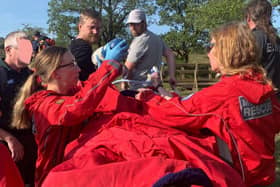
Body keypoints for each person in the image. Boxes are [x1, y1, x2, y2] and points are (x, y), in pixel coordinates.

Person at [39, 22, 279, 187]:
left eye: (212, 45)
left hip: (242, 174)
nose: (208, 52)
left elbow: (180, 113)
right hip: (264, 174)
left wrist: (149, 98)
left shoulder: (223, 94)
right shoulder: (265, 89)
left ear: (227, 51)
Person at [11, 38, 129, 186]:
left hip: (74, 173)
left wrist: (101, 66)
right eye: (72, 64)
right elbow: (79, 105)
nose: (78, 69)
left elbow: (90, 90)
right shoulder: (44, 105)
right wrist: (108, 67)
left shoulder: (70, 92)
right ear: (55, 74)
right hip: (52, 178)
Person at [0, 31, 37, 187]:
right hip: (6, 146)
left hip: (30, 142)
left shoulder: (31, 75)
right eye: (23, 48)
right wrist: (9, 138)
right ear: (8, 50)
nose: (30, 52)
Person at [122, 9, 176, 90]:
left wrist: (124, 84)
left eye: (136, 24)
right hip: (156, 87)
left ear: (144, 23)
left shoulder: (140, 40)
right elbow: (170, 54)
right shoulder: (157, 38)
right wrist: (172, 76)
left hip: (139, 88)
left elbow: (128, 67)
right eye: (130, 24)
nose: (132, 28)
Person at [244, 0, 280, 90]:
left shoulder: (253, 37)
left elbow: (245, 68)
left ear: (248, 17)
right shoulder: (276, 38)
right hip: (275, 93)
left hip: (259, 94)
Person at [69, 8, 102, 81]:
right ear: (80, 27)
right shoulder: (82, 48)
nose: (95, 32)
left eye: (98, 28)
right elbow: (91, 83)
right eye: (92, 27)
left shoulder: (74, 43)